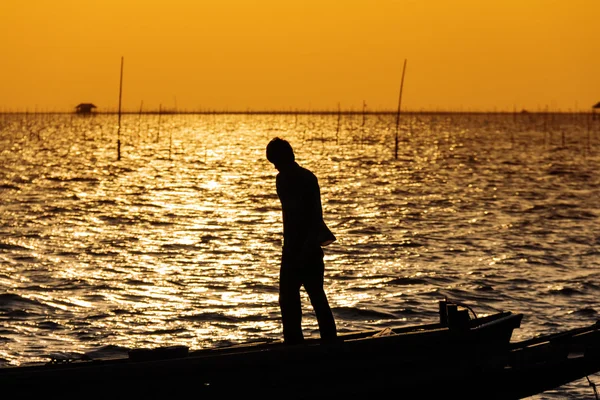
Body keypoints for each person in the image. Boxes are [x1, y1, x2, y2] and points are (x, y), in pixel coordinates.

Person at [266, 137, 338, 345]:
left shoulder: (298, 179)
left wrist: (303, 247)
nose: (275, 166)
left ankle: (319, 344)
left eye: (275, 161)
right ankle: (302, 343)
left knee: (310, 297)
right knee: (296, 299)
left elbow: (311, 215)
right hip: (296, 248)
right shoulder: (294, 178)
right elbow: (295, 216)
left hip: (304, 248)